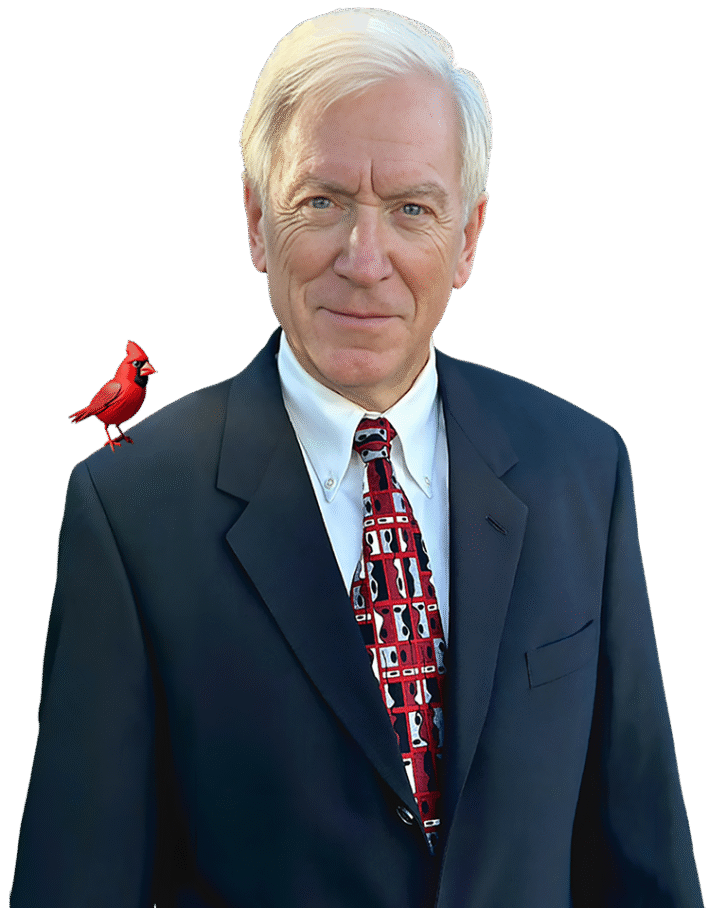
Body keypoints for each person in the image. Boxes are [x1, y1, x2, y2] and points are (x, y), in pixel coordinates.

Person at [10, 8, 704, 907]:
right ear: (258, 223)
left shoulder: (585, 470)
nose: (363, 259)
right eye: (323, 202)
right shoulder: (131, 510)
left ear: (470, 237)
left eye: (412, 209)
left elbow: (644, 863)